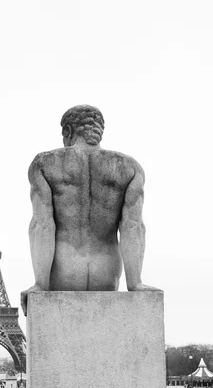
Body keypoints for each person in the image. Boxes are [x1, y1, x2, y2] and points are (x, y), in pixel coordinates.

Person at [21, 105, 159, 315]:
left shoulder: (44, 164)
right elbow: (134, 227)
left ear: (68, 131)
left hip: (64, 271)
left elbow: (41, 225)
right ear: (99, 130)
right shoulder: (130, 168)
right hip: (106, 274)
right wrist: (135, 283)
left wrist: (40, 284)